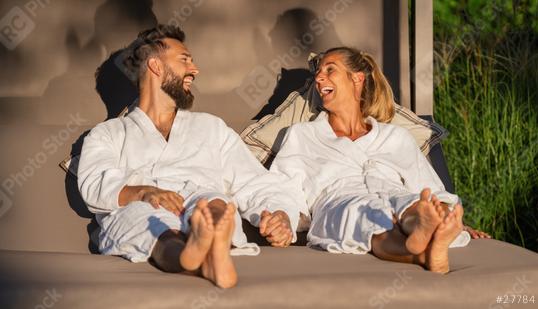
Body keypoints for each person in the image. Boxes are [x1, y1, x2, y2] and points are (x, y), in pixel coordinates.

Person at [77, 24, 297, 288]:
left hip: (197, 202)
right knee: (145, 219)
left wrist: (279, 215)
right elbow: (93, 184)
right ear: (156, 66)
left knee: (213, 201)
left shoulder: (211, 127)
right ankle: (197, 257)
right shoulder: (109, 134)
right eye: (184, 60)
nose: (195, 69)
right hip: (142, 213)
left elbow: (256, 182)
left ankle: (208, 240)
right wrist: (143, 192)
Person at [271, 47, 488, 274]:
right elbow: (284, 187)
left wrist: (449, 215)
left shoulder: (395, 136)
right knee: (366, 214)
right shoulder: (302, 135)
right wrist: (283, 217)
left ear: (357, 78)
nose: (318, 78)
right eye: (318, 72)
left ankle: (426, 228)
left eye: (330, 70)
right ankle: (423, 253)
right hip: (339, 200)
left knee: (412, 203)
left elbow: (428, 187)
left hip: (393, 191)